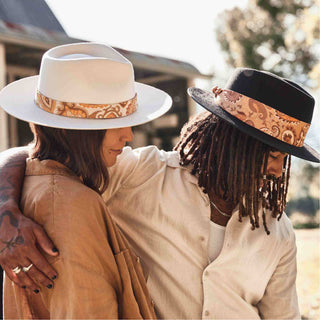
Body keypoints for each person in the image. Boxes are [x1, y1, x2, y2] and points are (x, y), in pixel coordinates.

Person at [1, 67, 319, 319]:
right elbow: (36, 156)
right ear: (236, 145)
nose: (278, 171)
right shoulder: (141, 175)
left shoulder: (277, 233)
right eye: (273, 155)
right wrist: (5, 210)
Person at [0, 42, 172, 319]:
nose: (128, 135)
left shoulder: (39, 183)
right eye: (116, 122)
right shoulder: (70, 202)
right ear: (78, 133)